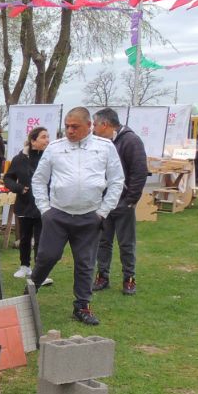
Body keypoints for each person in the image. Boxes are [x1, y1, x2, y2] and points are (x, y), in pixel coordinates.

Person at [29, 107, 124, 326]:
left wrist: (103, 212)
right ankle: (29, 293)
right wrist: (45, 209)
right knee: (47, 257)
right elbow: (39, 180)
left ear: (89, 126)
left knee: (85, 263)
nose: (70, 131)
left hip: (89, 216)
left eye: (75, 127)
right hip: (57, 214)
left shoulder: (105, 147)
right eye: (67, 126)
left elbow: (117, 180)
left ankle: (82, 306)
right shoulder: (55, 148)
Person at [92, 108, 148, 296]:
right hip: (103, 202)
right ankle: (102, 276)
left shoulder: (131, 141)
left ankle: (129, 279)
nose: (93, 128)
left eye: (95, 124)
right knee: (103, 242)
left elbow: (139, 171)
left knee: (126, 243)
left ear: (105, 124)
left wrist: (131, 199)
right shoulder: (99, 142)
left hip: (123, 201)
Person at [3, 127, 52, 284]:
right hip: (24, 205)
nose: (47, 140)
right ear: (33, 141)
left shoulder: (49, 157)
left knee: (41, 239)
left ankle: (39, 272)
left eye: (48, 137)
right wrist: (18, 188)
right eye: (43, 137)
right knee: (24, 238)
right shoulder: (19, 159)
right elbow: (8, 178)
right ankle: (24, 266)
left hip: (43, 206)